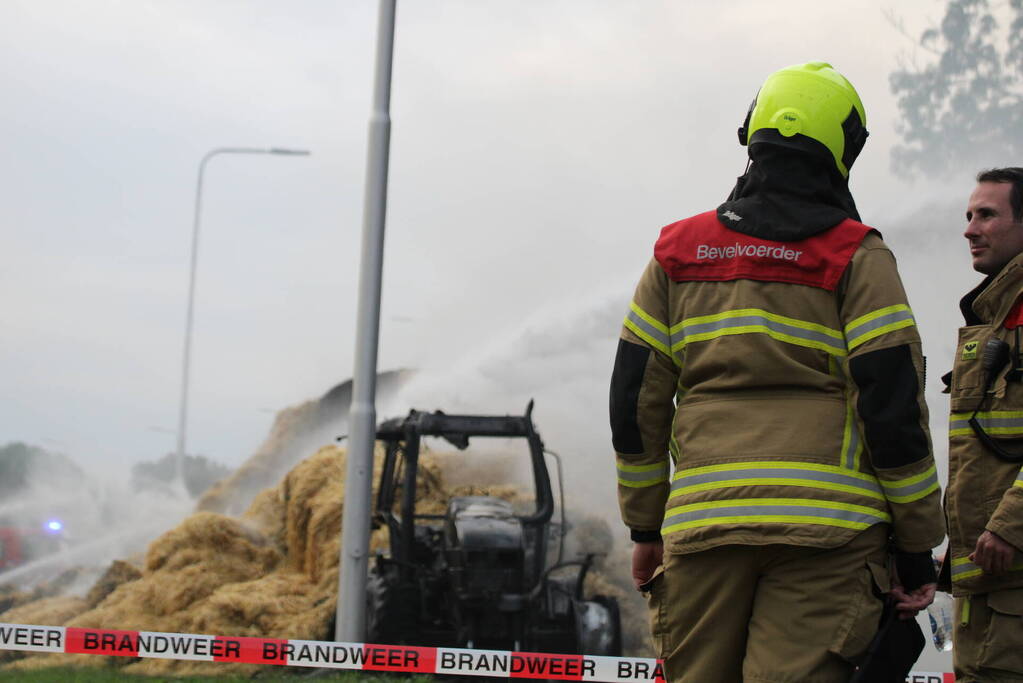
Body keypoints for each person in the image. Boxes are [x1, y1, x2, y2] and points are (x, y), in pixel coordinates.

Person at [608, 62, 945, 682]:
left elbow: (635, 401)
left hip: (705, 525)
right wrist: (918, 546)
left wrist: (645, 523)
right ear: (843, 147)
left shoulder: (679, 254)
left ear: (755, 131)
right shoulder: (857, 255)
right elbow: (892, 403)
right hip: (831, 534)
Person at [944, 166, 1023, 682]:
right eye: (969, 215)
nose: (971, 228)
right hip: (984, 587)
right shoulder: (993, 320)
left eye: (987, 215)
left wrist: (1012, 523)